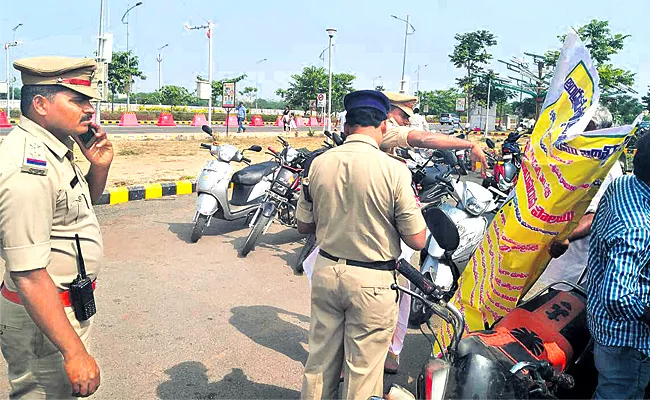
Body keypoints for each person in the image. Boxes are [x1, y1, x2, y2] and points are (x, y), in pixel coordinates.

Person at [298, 90, 426, 400]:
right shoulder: (395, 170)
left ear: (345, 126)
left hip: (327, 272)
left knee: (319, 364)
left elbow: (303, 226)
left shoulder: (318, 164)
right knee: (363, 372)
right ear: (384, 125)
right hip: (373, 281)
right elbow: (417, 239)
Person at [0, 56, 113, 398]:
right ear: (40, 104)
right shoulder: (27, 168)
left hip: (63, 310)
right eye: (78, 100)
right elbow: (28, 275)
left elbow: (76, 214)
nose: (89, 109)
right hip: (43, 321)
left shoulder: (55, 149)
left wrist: (100, 167)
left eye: (89, 101)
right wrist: (74, 352)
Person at [380, 91, 487, 373]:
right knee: (397, 286)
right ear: (390, 113)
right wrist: (468, 144)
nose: (404, 122)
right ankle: (383, 350)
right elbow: (422, 138)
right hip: (383, 222)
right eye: (404, 116)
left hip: (379, 221)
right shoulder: (386, 130)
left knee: (397, 289)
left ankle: (392, 349)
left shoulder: (379, 137)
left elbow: (418, 150)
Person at [586, 132, 650, 399]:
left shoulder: (624, 184)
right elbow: (617, 296)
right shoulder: (638, 228)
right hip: (627, 341)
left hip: (600, 321)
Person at [537, 106, 622, 289]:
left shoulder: (605, 167)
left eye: (584, 126)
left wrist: (561, 237)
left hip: (567, 270)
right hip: (542, 259)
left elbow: (593, 217)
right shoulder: (569, 156)